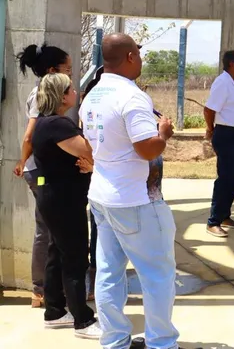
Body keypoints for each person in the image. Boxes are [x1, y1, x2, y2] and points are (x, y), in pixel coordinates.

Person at [81, 33, 180, 349]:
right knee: (158, 274)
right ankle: (162, 343)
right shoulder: (132, 97)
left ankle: (114, 341)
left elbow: (92, 145)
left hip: (102, 196)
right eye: (139, 53)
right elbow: (147, 149)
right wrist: (163, 134)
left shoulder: (92, 96)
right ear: (129, 57)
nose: (141, 59)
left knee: (109, 273)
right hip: (135, 200)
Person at [31, 73, 100, 339]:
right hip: (63, 200)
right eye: (71, 88)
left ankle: (55, 311)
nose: (76, 91)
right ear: (61, 96)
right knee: (75, 258)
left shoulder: (46, 122)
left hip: (55, 197)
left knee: (57, 254)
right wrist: (90, 163)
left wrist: (88, 165)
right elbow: (89, 151)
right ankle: (83, 320)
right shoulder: (58, 124)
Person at [13, 43, 72, 308]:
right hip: (39, 171)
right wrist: (23, 160)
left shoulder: (46, 93)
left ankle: (47, 288)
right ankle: (41, 289)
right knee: (46, 229)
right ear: (51, 71)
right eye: (67, 69)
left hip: (41, 169)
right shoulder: (42, 95)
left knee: (49, 228)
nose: (70, 75)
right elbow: (30, 135)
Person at [204, 50, 234, 237]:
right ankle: (213, 221)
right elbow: (209, 110)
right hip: (226, 135)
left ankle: (225, 215)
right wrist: (211, 129)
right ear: (231, 63)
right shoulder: (223, 82)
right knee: (225, 178)